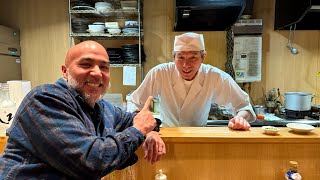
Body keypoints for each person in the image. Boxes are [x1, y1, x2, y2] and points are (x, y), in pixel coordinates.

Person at [0, 41, 165, 179]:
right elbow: (92, 162)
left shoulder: (102, 107)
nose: (97, 73)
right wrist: (138, 131)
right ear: (65, 71)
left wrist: (150, 132)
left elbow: (134, 120)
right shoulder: (45, 99)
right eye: (86, 64)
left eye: (104, 67)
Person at [129, 32, 256, 129]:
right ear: (174, 57)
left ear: (203, 57)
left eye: (193, 57)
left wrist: (240, 119)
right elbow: (135, 103)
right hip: (167, 137)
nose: (186, 65)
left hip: (198, 138)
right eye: (181, 57)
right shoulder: (160, 73)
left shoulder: (215, 76)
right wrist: (143, 122)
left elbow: (244, 107)